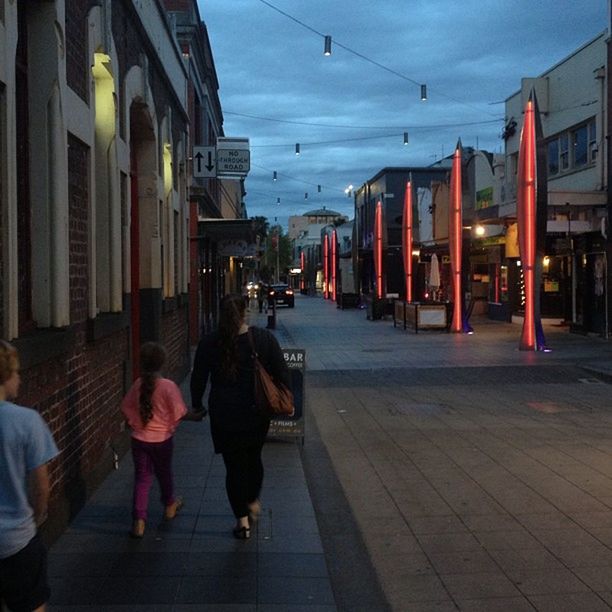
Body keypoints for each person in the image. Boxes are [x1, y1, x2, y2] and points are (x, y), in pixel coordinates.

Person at [190, 293, 291, 539]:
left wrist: (197, 405)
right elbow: (283, 373)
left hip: (224, 416)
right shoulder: (263, 340)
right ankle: (253, 500)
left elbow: (198, 379)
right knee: (254, 458)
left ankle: (242, 522)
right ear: (245, 311)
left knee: (233, 467)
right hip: (256, 413)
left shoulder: (209, 343)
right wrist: (285, 398)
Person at [121, 342, 203, 538]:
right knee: (164, 474)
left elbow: (126, 407)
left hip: (139, 440)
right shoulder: (168, 386)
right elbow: (179, 412)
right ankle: (169, 505)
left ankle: (139, 521)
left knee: (142, 479)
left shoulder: (138, 384)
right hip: (163, 441)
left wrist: (136, 423)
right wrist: (196, 416)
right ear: (163, 363)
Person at [0, 340, 59, 612]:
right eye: (17, 372)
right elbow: (40, 485)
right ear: (6, 376)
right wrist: (39, 514)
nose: (20, 379)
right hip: (17, 539)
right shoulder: (27, 421)